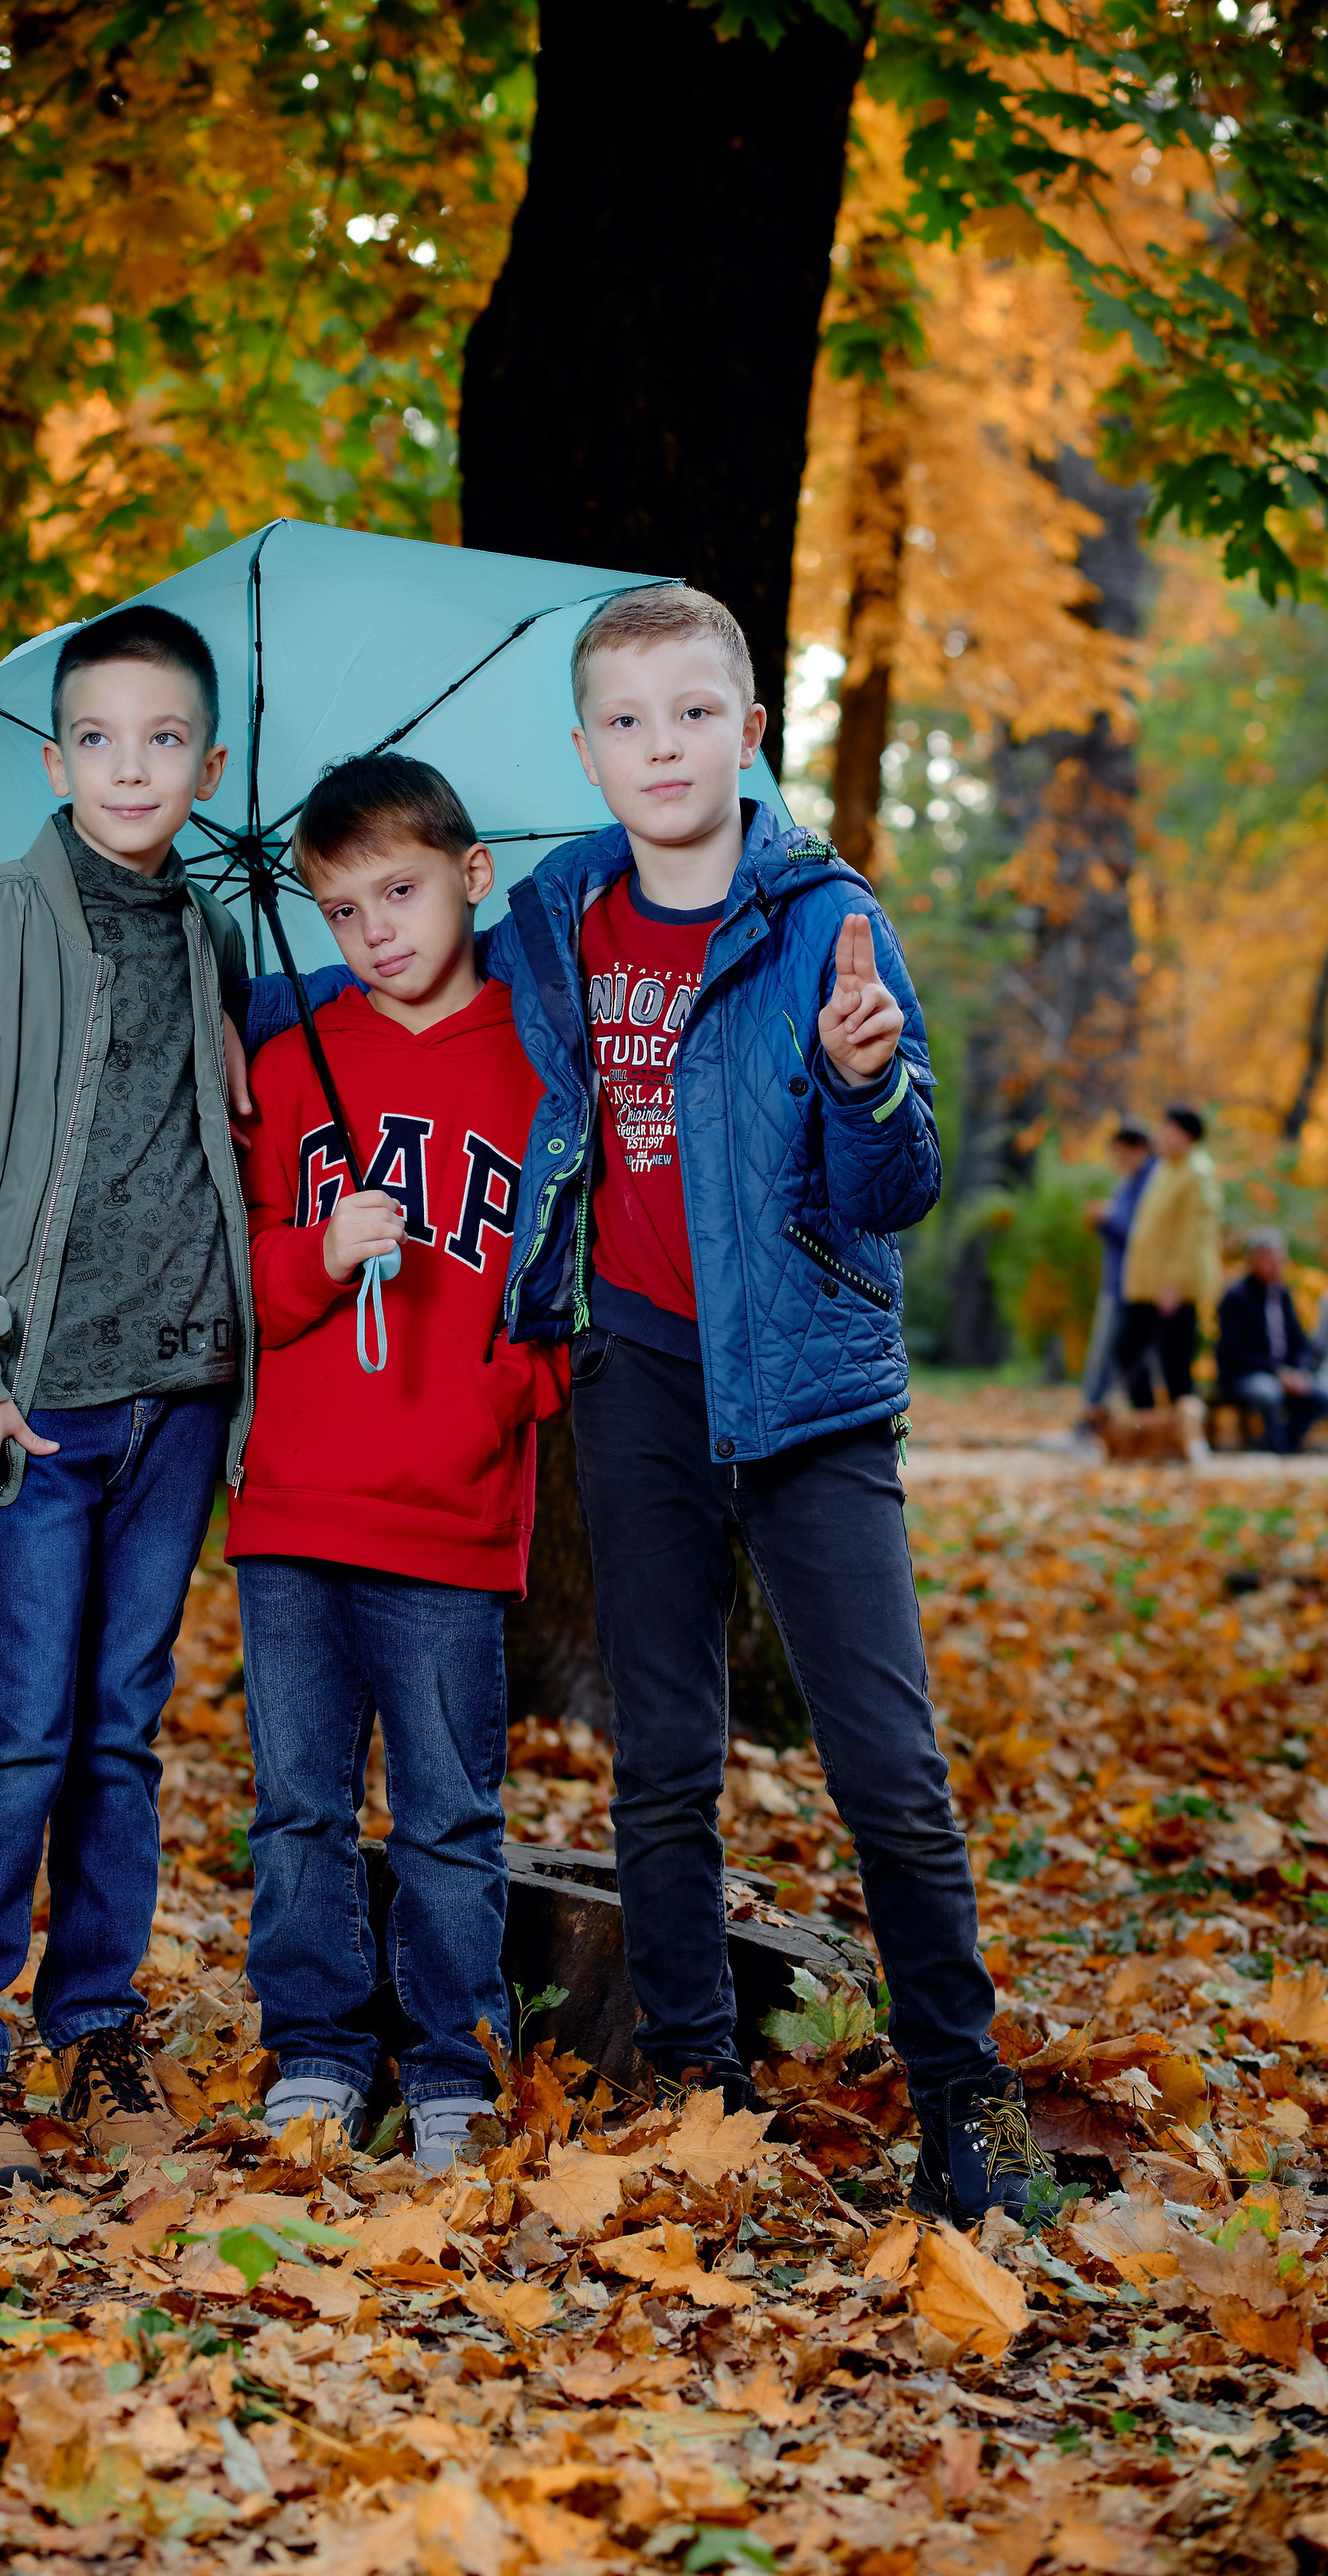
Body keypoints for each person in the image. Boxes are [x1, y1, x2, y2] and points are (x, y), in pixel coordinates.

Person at [481, 582, 1053, 2225]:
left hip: (806, 1378)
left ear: (748, 732)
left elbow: (897, 1187)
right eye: (625, 721)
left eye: (691, 714)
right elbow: (432, 1003)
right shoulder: (558, 916)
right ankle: (699, 2078)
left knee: (885, 1757)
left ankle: (967, 2097)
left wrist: (872, 1079)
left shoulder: (821, 920)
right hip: (639, 1370)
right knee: (660, 1755)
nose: (660, 747)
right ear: (589, 753)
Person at [0, 603, 262, 2185]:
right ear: (57, 755)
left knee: (120, 1728)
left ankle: (92, 2027)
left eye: (165, 740)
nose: (133, 765)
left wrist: (249, 1043)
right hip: (30, 1402)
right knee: (16, 1726)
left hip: (178, 1395)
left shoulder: (214, 935)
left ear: (208, 764)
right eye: (101, 738)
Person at [225, 755, 570, 2171]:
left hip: (448, 1507)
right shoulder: (288, 1064)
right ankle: (315, 2046)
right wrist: (321, 1250)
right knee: (300, 1799)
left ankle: (453, 2063)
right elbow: (233, 1279)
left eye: (402, 890)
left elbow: (568, 1276)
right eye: (343, 906)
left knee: (446, 1808)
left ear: (470, 877)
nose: (376, 929)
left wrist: (510, 1386)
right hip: (297, 1503)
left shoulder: (538, 1060)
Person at [1114, 1105, 1221, 1410]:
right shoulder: (1166, 1168)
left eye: (1169, 1131)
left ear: (1186, 1136)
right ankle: (1151, 1425)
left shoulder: (1196, 1173)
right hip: (1150, 1284)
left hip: (1173, 1289)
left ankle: (1181, 1432)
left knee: (1173, 1361)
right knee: (1133, 1352)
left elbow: (1194, 1237)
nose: (1162, 1136)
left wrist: (1176, 1283)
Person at [1218, 1230, 1327, 1454]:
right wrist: (1278, 1373)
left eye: (1281, 1258)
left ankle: (1285, 1442)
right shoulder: (1236, 1297)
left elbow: (1299, 1343)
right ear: (1255, 1259)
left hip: (1283, 1373)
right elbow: (1236, 1350)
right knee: (1269, 1392)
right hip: (1245, 1373)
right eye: (1272, 1258)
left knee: (1320, 1396)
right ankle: (1276, 1446)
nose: (1278, 1264)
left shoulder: (1283, 1295)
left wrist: (1300, 1371)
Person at [1077, 1122, 1155, 1413]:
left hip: (1131, 1283)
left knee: (1110, 1355)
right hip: (1117, 1279)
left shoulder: (1150, 1182)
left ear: (1140, 1150)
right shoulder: (1129, 1181)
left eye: (1122, 1154)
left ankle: (1092, 1422)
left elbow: (1140, 1233)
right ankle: (1101, 1421)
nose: (1118, 1162)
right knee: (1115, 1355)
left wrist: (1107, 1219)